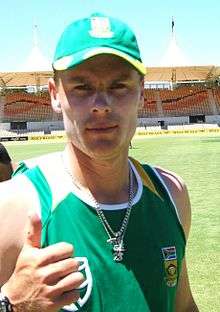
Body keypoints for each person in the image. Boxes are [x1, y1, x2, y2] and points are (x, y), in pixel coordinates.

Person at [0, 12, 199, 312]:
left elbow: (182, 306)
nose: (101, 106)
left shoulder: (172, 194)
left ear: (142, 93)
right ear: (55, 95)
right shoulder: (15, 205)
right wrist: (9, 304)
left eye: (119, 86)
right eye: (82, 87)